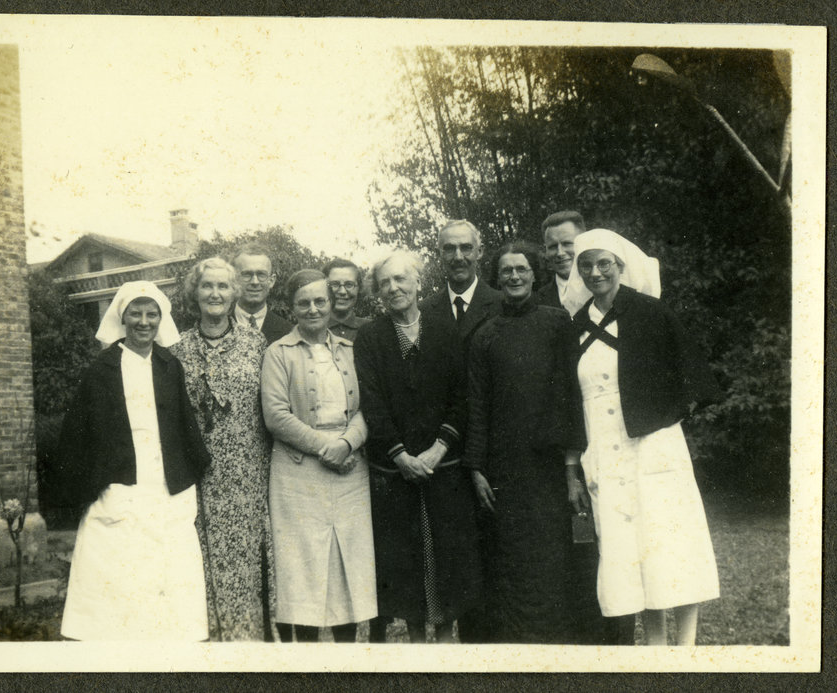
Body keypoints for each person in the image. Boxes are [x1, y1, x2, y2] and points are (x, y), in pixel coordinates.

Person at [562, 229, 722, 646]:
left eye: (604, 264)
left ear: (620, 267)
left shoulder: (651, 313)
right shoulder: (574, 327)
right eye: (586, 265)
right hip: (606, 457)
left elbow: (696, 379)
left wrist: (665, 417)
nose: (595, 272)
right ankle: (654, 650)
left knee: (672, 548)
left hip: (654, 450)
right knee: (632, 558)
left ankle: (684, 651)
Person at [464, 242, 614, 643]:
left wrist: (570, 468)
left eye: (522, 269)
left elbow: (570, 394)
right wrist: (476, 466)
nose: (514, 276)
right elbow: (477, 404)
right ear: (498, 278)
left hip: (549, 467)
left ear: (535, 274)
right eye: (507, 271)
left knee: (553, 561)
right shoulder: (485, 335)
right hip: (504, 469)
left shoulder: (556, 323)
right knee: (512, 565)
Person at [47, 281, 211, 641]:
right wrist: (92, 484)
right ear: (122, 317)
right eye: (135, 313)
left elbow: (185, 426)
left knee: (168, 577)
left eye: (152, 313)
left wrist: (190, 475)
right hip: (119, 485)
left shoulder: (170, 365)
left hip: (167, 487)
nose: (143, 321)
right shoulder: (101, 369)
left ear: (161, 318)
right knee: (119, 577)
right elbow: (79, 434)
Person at [354, 250, 483, 643]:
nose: (394, 288)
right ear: (378, 292)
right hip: (398, 472)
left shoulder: (445, 330)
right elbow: (371, 401)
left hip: (443, 468)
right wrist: (401, 455)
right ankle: (414, 644)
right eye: (385, 283)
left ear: (417, 283)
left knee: (446, 557)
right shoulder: (371, 337)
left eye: (401, 279)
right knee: (407, 564)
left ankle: (444, 641)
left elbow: (461, 397)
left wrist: (438, 449)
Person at [261, 269, 377, 643]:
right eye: (304, 303)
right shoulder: (277, 353)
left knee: (346, 566)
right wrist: (325, 447)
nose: (313, 309)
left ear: (331, 304)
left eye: (320, 301)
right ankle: (308, 665)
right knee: (304, 568)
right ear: (292, 308)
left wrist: (346, 444)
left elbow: (367, 407)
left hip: (349, 470)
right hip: (297, 474)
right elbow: (276, 416)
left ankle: (344, 661)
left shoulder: (349, 350)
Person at [171, 257, 273, 641]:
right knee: (200, 568)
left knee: (247, 571)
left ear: (234, 294)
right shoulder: (177, 350)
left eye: (223, 286)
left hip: (248, 478)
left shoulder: (256, 344)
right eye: (207, 286)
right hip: (198, 479)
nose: (215, 293)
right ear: (194, 294)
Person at [419, 220, 501, 351]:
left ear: (479, 252)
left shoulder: (502, 305)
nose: (458, 257)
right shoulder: (423, 312)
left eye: (466, 248)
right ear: (440, 254)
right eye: (450, 249)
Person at [232, 243, 293, 344]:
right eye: (247, 274)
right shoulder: (215, 326)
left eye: (261, 275)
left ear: (272, 281)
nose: (255, 282)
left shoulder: (288, 332)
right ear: (234, 279)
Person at [533, 210, 585, 309]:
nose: (560, 253)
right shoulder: (538, 300)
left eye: (567, 244)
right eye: (553, 246)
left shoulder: (606, 288)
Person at [322, 257, 370, 341]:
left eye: (349, 285)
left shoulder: (372, 329)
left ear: (359, 288)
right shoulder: (311, 329)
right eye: (335, 284)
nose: (342, 292)